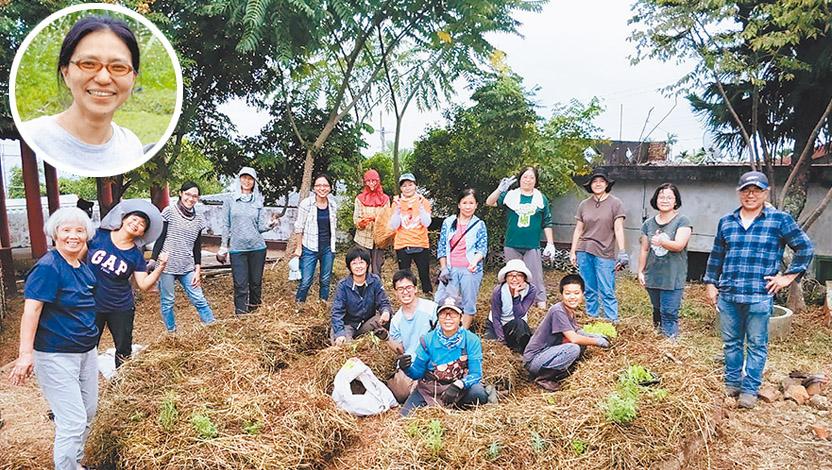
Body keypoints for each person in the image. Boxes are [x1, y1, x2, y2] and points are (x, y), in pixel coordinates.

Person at [704, 171, 813, 409]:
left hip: (759, 295)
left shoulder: (779, 220)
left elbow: (804, 248)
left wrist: (787, 278)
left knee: (756, 343)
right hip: (729, 293)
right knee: (731, 342)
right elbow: (716, 256)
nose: (750, 195)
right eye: (745, 190)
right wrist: (711, 283)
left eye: (756, 190)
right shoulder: (727, 221)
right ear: (739, 193)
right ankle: (732, 382)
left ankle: (750, 389)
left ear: (765, 193)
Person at [8, 208, 98, 469]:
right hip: (56, 353)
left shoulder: (80, 265)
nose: (73, 236)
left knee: (87, 413)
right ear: (55, 234)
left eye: (79, 231)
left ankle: (75, 462)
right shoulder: (48, 267)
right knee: (72, 419)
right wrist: (25, 354)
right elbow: (32, 310)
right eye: (66, 230)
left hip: (86, 352)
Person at [21, 16, 143, 175]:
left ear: (132, 78)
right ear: (66, 73)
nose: (103, 78)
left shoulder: (131, 146)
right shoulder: (33, 136)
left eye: (118, 67)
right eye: (88, 64)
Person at [88, 199, 168, 368]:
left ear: (142, 233)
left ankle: (122, 386)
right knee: (87, 346)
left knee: (123, 349)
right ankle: (84, 382)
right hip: (91, 303)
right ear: (123, 219)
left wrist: (160, 267)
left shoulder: (135, 255)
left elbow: (144, 285)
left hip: (120, 306)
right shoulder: (98, 235)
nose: (136, 224)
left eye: (141, 224)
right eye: (134, 219)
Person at [397, 297, 489, 416]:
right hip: (430, 389)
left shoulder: (471, 340)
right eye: (444, 314)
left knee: (479, 394)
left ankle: (456, 408)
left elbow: (476, 374)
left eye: (453, 314)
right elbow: (417, 373)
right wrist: (406, 368)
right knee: (404, 417)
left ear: (461, 318)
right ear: (438, 317)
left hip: (458, 389)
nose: (448, 318)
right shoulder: (428, 340)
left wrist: (458, 385)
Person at [523, 274, 612, 392]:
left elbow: (576, 331)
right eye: (568, 293)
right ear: (561, 295)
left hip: (548, 353)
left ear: (582, 294)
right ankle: (544, 378)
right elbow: (574, 338)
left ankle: (560, 372)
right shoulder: (558, 310)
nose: (572, 297)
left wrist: (595, 335)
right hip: (534, 359)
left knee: (581, 344)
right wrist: (597, 342)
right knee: (573, 348)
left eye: (576, 293)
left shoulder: (570, 311)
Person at [486, 166, 556, 309]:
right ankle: (513, 306)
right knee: (513, 276)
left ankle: (541, 308)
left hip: (532, 245)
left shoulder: (540, 198)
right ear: (520, 179)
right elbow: (490, 202)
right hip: (512, 244)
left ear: (536, 181)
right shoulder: (510, 195)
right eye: (525, 177)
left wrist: (550, 243)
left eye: (531, 177)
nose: (528, 180)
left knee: (535, 277)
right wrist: (500, 189)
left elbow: (547, 221)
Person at [151, 182, 216, 332]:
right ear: (181, 193)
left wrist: (197, 270)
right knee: (168, 301)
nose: (190, 198)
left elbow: (197, 247)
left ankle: (213, 328)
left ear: (198, 199)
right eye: (188, 194)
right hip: (167, 265)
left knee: (199, 298)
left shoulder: (199, 220)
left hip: (187, 266)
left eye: (194, 196)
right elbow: (160, 239)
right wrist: (154, 261)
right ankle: (172, 333)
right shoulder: (169, 212)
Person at [569, 168, 627, 323]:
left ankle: (612, 322)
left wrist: (622, 251)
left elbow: (619, 228)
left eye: (602, 181)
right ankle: (592, 319)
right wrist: (573, 251)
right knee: (589, 289)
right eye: (595, 181)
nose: (598, 184)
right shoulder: (584, 204)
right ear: (590, 185)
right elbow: (578, 229)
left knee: (607, 289)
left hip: (605, 252)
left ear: (607, 184)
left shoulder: (615, 203)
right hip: (584, 250)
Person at [217, 167, 278, 315]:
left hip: (257, 248)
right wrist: (223, 247)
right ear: (239, 179)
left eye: (250, 178)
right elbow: (226, 224)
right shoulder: (230, 200)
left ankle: (255, 312)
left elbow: (260, 226)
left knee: (256, 284)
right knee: (240, 284)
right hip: (238, 249)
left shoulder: (257, 200)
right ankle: (241, 315)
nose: (247, 181)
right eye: (244, 177)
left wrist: (271, 224)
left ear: (254, 182)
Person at [637, 183, 692, 339]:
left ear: (675, 201)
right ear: (656, 199)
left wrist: (662, 241)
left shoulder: (682, 221)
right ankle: (658, 340)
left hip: (673, 276)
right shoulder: (648, 224)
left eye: (669, 197)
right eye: (661, 196)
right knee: (657, 311)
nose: (665, 200)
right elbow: (645, 249)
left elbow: (679, 245)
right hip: (653, 274)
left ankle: (670, 343)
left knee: (669, 312)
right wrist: (641, 271)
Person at [436, 188, 488, 329]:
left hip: (470, 270)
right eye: (464, 202)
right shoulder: (448, 222)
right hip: (451, 270)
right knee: (447, 302)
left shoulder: (479, 225)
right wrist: (444, 268)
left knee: (468, 303)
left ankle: (462, 333)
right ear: (459, 204)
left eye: (471, 203)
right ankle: (446, 331)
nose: (468, 206)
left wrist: (474, 262)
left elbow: (482, 248)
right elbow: (442, 247)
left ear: (476, 205)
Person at [386, 269, 438, 403]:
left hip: (433, 360)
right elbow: (401, 350)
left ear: (415, 289)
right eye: (400, 289)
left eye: (408, 287)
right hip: (410, 362)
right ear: (395, 292)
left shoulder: (432, 309)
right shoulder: (396, 320)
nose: (405, 292)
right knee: (401, 393)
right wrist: (386, 338)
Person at [330, 246, 393, 345]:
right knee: (343, 346)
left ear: (367, 264)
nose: (358, 266)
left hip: (367, 323)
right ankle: (345, 338)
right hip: (348, 324)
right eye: (354, 263)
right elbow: (337, 312)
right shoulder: (343, 285)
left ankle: (381, 339)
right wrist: (339, 333)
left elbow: (383, 302)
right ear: (349, 266)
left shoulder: (375, 280)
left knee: (387, 317)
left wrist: (386, 311)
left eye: (361, 262)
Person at [294, 174, 337, 303]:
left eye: (325, 185)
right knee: (306, 280)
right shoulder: (306, 204)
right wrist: (298, 247)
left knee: (325, 279)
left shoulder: (333, 205)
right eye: (318, 185)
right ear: (314, 188)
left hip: (327, 248)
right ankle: (299, 304)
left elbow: (333, 227)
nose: (322, 188)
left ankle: (322, 304)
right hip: (309, 247)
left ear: (330, 188)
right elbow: (299, 227)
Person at [389, 173, 433, 294]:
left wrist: (420, 208)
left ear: (415, 186)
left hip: (421, 243)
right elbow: (393, 226)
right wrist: (397, 210)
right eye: (404, 186)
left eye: (410, 184)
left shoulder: (423, 201)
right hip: (403, 244)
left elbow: (427, 222)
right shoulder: (396, 202)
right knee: (404, 276)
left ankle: (428, 296)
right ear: (401, 188)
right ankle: (406, 296)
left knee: (424, 274)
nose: (407, 188)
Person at [484, 259, 537, 353]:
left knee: (520, 326)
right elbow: (496, 317)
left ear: (524, 278)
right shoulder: (499, 291)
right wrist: (501, 340)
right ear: (506, 278)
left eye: (519, 275)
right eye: (511, 275)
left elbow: (519, 315)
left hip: (518, 324)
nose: (514, 279)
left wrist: (516, 295)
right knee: (490, 347)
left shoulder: (531, 290)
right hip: (497, 324)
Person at [353, 169, 390, 275]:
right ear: (365, 182)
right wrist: (361, 223)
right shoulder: (359, 199)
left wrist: (377, 219)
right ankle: (361, 289)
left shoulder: (385, 199)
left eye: (374, 181)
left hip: (379, 240)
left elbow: (387, 219)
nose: (371, 184)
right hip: (362, 239)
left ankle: (376, 289)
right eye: (368, 181)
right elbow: (356, 219)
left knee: (377, 267)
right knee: (361, 266)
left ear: (378, 181)